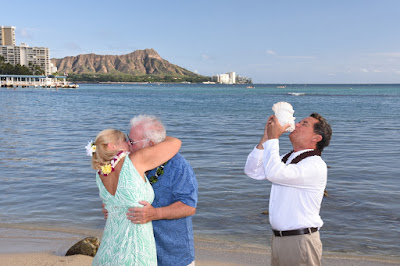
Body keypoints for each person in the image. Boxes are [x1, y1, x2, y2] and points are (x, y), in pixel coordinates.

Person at [103, 115, 198, 266]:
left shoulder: (178, 166)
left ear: (152, 144)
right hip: (135, 252)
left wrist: (155, 214)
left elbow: (189, 206)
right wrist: (113, 208)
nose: (128, 144)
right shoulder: (126, 163)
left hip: (172, 253)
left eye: (132, 141)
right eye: (128, 138)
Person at [244, 113, 332, 266]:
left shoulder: (315, 165)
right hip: (280, 239)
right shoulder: (289, 158)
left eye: (304, 124)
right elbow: (252, 170)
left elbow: (274, 173)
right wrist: (266, 138)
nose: (296, 124)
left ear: (316, 138)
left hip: (300, 241)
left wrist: (274, 139)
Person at [88, 128, 181, 265]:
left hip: (110, 246)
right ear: (111, 146)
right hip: (135, 248)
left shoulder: (100, 173)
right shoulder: (134, 161)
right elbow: (175, 143)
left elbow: (116, 203)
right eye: (125, 140)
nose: (129, 144)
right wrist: (153, 136)